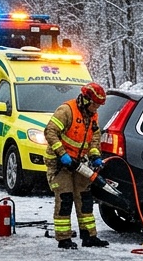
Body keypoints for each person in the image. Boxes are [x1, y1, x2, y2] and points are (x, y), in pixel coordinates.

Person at [44, 82, 110, 249]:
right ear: (86, 99)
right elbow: (50, 132)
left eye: (98, 105)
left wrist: (95, 156)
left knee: (85, 199)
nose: (96, 108)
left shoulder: (92, 115)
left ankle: (89, 236)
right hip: (59, 163)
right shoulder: (66, 110)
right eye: (95, 104)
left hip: (79, 163)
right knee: (65, 199)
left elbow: (94, 138)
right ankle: (64, 239)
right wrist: (62, 154)